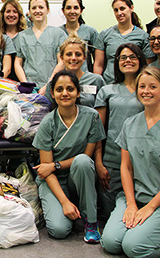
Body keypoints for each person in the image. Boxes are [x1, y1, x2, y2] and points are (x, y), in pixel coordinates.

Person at [101, 66, 160, 258]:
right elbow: (126, 168)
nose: (146, 91)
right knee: (111, 243)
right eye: (142, 86)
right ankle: (142, 229)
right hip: (136, 198)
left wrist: (151, 207)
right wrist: (130, 204)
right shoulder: (130, 124)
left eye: (153, 87)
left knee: (133, 247)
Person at [33, 70, 105, 242]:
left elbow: (87, 157)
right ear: (53, 93)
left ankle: (91, 222)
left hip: (77, 175)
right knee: (59, 230)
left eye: (70, 89)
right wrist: (64, 202)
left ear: (78, 92)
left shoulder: (91, 117)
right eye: (59, 89)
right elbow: (46, 170)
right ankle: (69, 208)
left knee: (82, 161)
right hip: (53, 180)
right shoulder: (47, 123)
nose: (64, 93)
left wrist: (55, 165)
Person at [94, 43, 146, 217]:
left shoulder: (147, 90)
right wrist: (99, 163)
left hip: (142, 159)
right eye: (123, 58)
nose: (128, 61)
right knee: (114, 213)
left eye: (132, 57)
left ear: (140, 60)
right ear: (116, 62)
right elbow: (99, 131)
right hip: (112, 161)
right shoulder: (107, 91)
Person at [93, 0, 153, 84]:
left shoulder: (143, 36)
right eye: (116, 10)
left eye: (122, 9)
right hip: (110, 84)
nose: (119, 13)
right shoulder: (105, 34)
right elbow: (98, 65)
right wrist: (97, 85)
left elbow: (148, 66)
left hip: (134, 85)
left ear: (131, 8)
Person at [14, 0, 67, 94]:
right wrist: (26, 85)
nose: (37, 10)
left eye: (41, 7)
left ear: (48, 10)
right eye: (34, 8)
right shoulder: (22, 36)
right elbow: (18, 63)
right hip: (29, 88)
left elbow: (62, 62)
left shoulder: (58, 34)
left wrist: (48, 85)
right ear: (29, 12)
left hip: (52, 87)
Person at [45, 34, 105, 108]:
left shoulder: (96, 80)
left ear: (84, 58)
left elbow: (103, 108)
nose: (73, 58)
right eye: (69, 54)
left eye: (78, 54)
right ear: (62, 57)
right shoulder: (53, 83)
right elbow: (48, 110)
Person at [59, 0, 99, 72]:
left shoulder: (90, 32)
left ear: (81, 11)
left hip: (84, 78)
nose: (72, 11)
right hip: (63, 77)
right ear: (63, 11)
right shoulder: (57, 32)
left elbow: (98, 61)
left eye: (76, 8)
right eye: (68, 8)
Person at [1, 0, 27, 81]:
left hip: (22, 80)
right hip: (2, 80)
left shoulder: (25, 35)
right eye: (8, 11)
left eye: (15, 12)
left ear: (19, 15)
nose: (11, 15)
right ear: (3, 14)